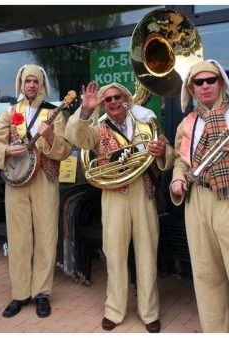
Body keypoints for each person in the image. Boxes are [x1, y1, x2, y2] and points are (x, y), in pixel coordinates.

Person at [65, 81, 175, 332]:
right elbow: (77, 137)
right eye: (108, 99)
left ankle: (149, 312)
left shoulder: (146, 123)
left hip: (143, 192)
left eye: (118, 97)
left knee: (147, 253)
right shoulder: (97, 127)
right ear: (103, 104)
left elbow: (169, 155)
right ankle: (114, 310)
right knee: (114, 254)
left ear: (127, 99)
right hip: (113, 195)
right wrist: (85, 111)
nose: (113, 102)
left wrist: (161, 152)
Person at [0, 64, 72, 318]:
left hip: (45, 178)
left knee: (46, 236)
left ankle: (42, 292)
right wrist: (6, 151)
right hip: (17, 182)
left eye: (35, 81)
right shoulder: (9, 113)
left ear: (42, 84)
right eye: (27, 81)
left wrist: (53, 137)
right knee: (19, 238)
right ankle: (20, 293)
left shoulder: (55, 113)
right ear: (21, 84)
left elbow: (65, 150)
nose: (31, 85)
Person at [169, 59, 229, 332]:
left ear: (221, 83)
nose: (205, 86)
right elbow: (182, 161)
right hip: (197, 202)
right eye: (198, 82)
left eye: (211, 80)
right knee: (206, 275)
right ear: (191, 89)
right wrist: (178, 179)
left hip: (228, 199)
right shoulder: (188, 123)